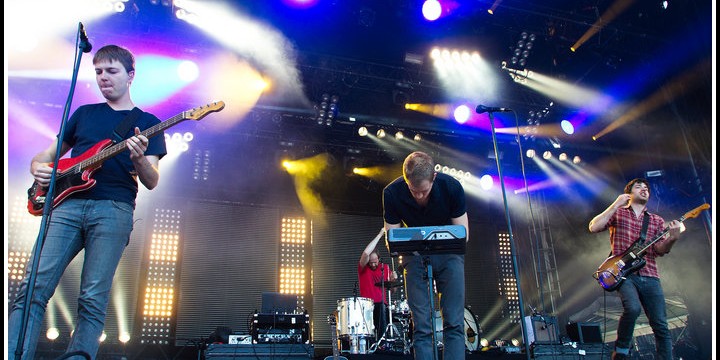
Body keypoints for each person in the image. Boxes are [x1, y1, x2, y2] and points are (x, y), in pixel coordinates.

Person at [8, 44, 167, 360]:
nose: (103, 78)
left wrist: (139, 159)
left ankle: (79, 355)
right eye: (98, 72)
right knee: (32, 288)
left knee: (93, 296)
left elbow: (151, 180)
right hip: (65, 206)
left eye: (111, 71)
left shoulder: (147, 122)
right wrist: (37, 166)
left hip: (114, 208)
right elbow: (48, 155)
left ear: (130, 75)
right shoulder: (83, 114)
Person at [382, 151, 469, 360]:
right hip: (414, 257)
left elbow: (463, 234)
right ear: (406, 180)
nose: (419, 196)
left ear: (434, 178)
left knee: (454, 322)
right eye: (413, 191)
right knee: (421, 325)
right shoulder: (392, 193)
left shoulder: (452, 187)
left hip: (449, 255)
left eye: (424, 191)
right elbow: (391, 239)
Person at [588, 178, 682, 360]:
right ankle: (621, 351)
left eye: (646, 188)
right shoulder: (619, 213)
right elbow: (594, 227)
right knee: (632, 309)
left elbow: (659, 250)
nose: (644, 190)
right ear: (629, 194)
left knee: (660, 324)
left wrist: (672, 238)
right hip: (623, 274)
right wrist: (616, 204)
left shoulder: (656, 220)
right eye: (638, 187)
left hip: (650, 274)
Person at [358, 228, 398, 341]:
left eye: (375, 261)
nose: (373, 264)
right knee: (367, 334)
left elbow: (392, 291)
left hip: (382, 304)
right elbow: (366, 253)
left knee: (382, 335)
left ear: (379, 259)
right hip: (366, 305)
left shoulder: (385, 268)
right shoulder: (363, 267)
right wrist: (380, 234)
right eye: (371, 262)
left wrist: (393, 281)